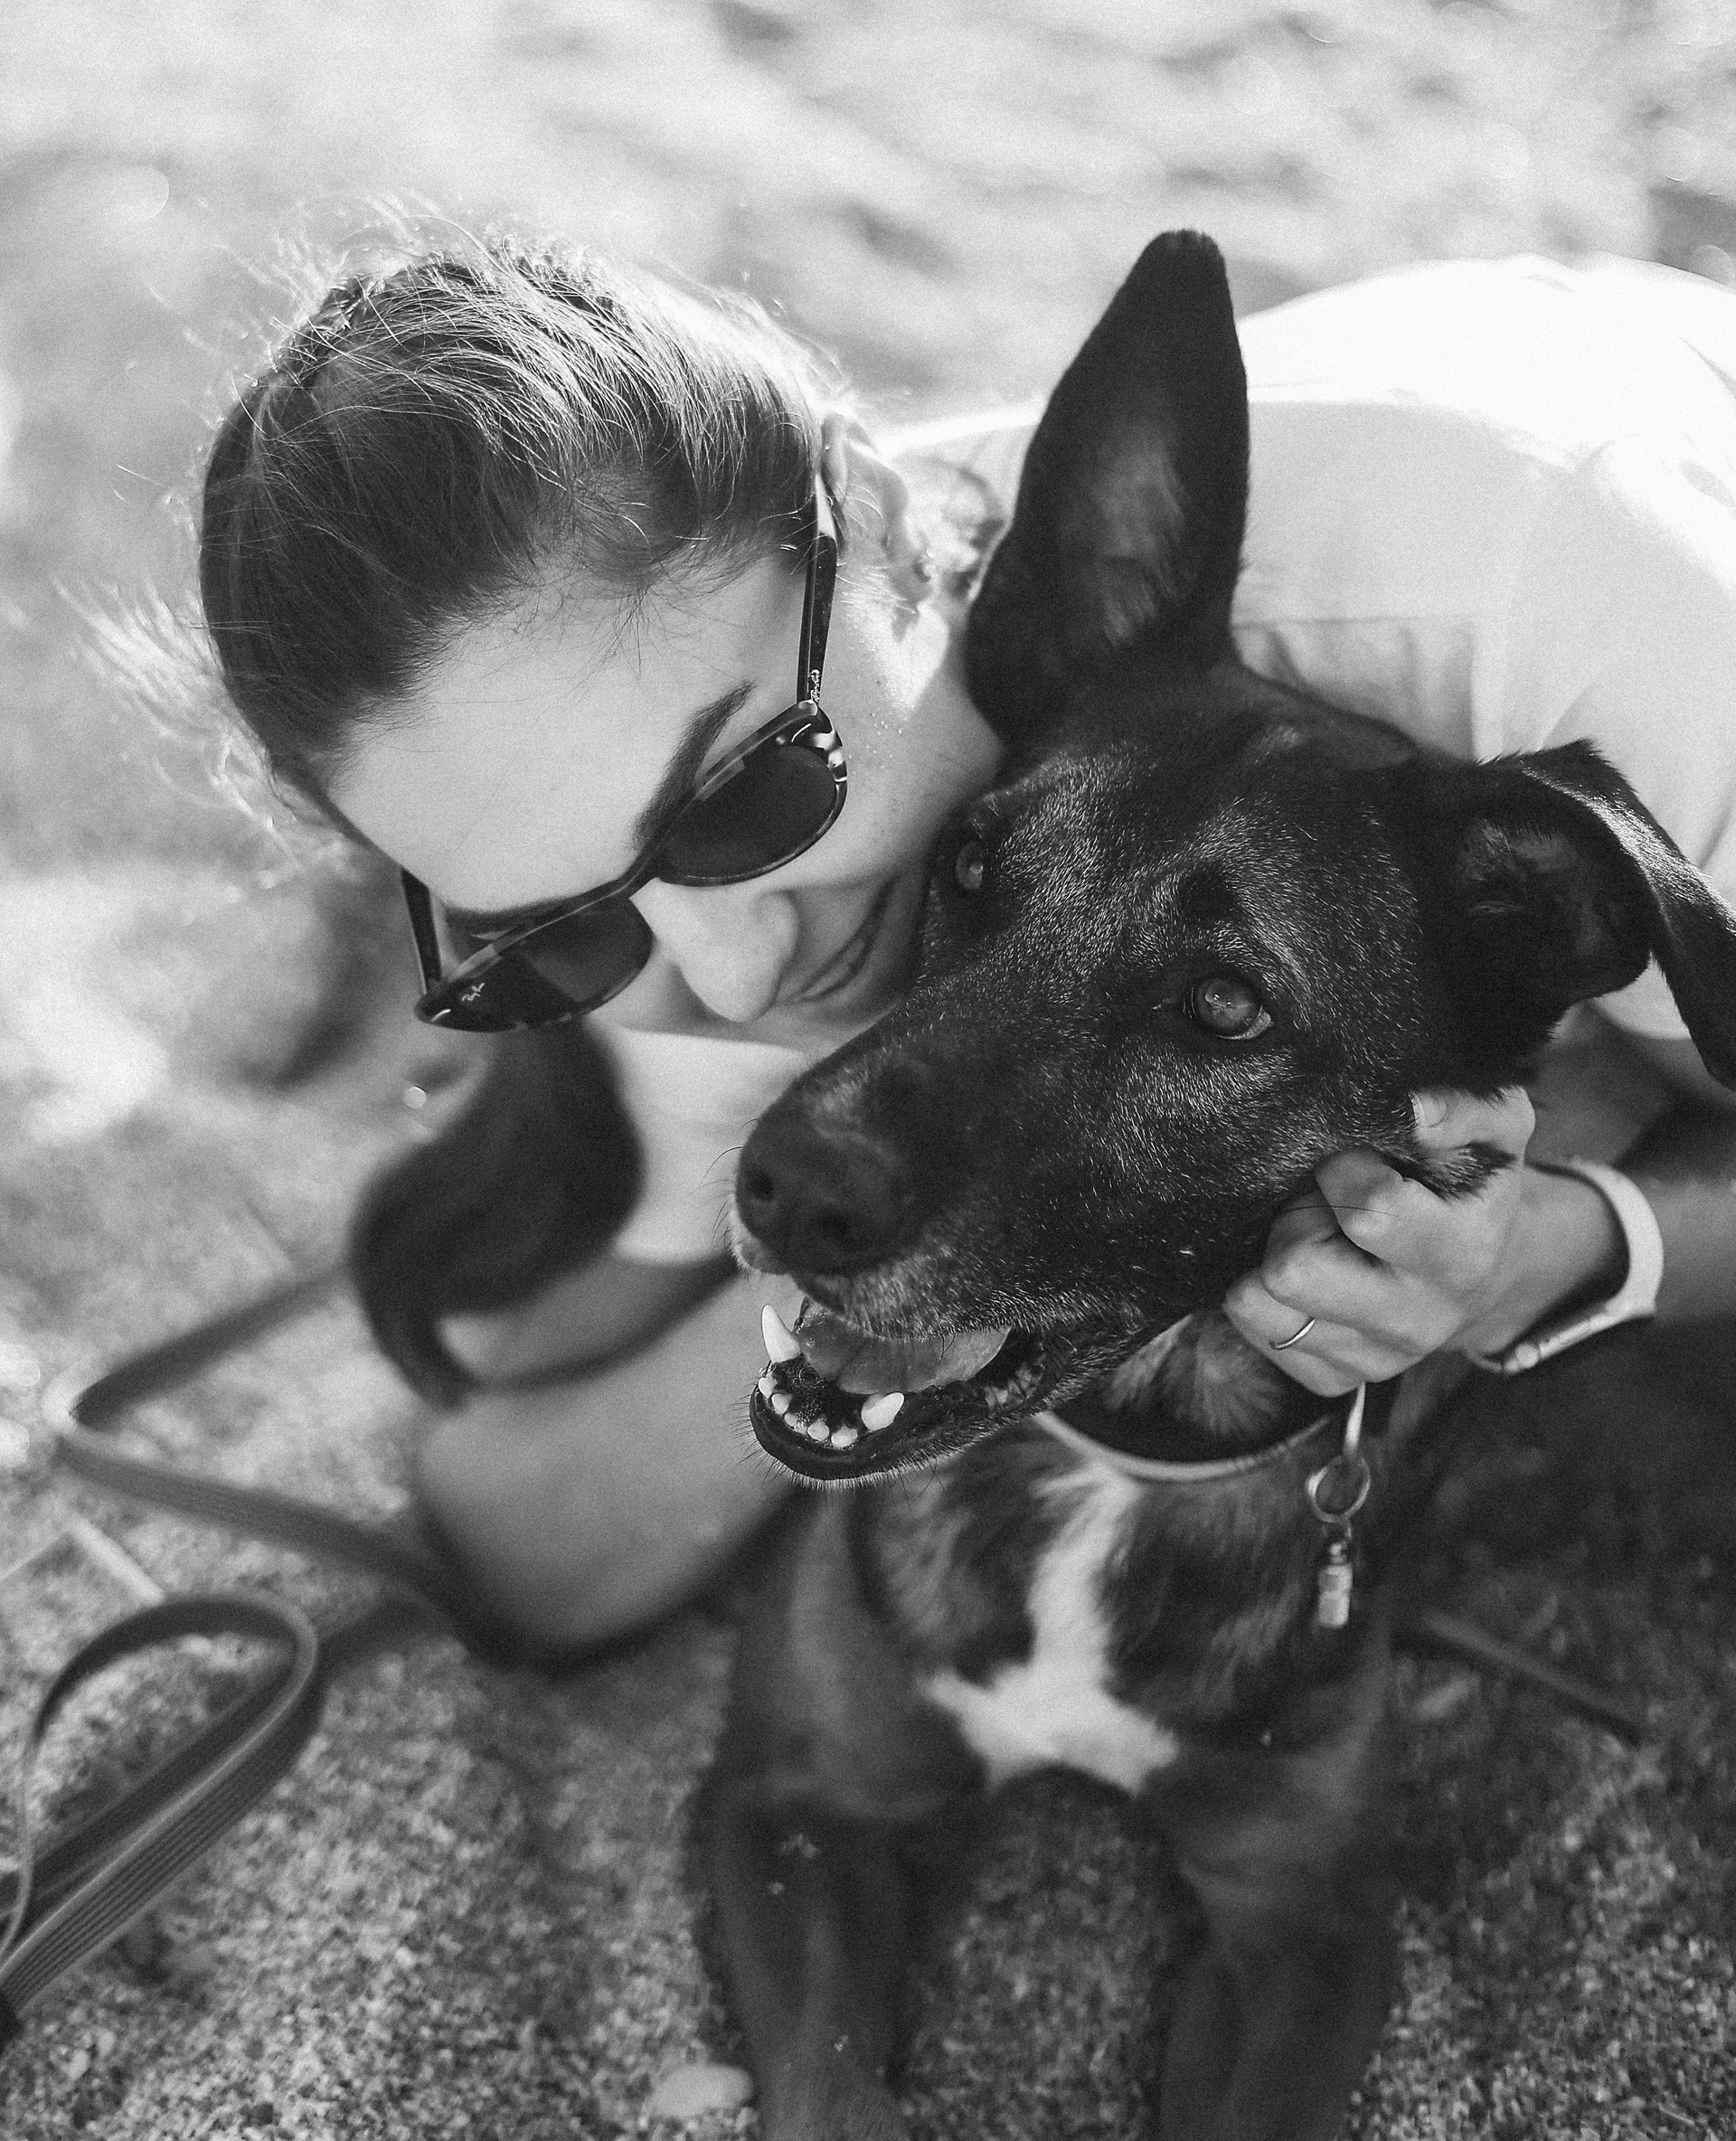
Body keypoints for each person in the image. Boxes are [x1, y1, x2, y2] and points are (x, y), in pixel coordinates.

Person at [198, 237, 1736, 1656]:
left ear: (878, 521)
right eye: (550, 927)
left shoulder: (1569, 632)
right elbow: (524, 1532)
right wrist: (867, 1251)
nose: (736, 982)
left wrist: (1557, 1247)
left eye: (739, 795)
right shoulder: (680, 851)